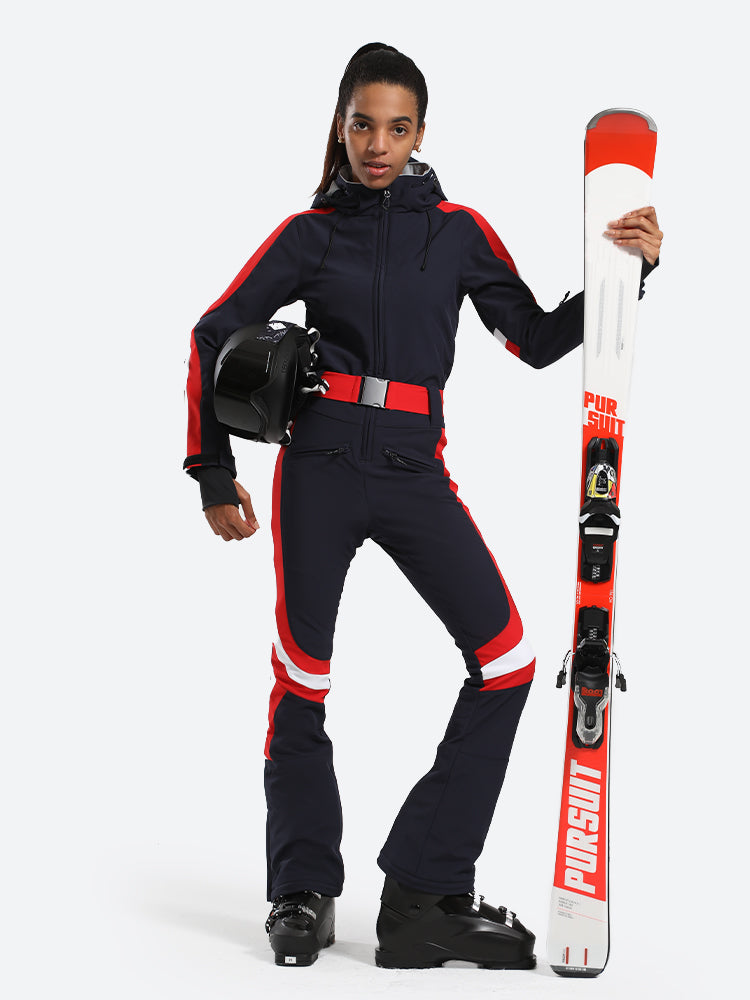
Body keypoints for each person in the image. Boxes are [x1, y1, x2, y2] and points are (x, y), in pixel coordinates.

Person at [183, 43, 662, 969]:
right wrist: (211, 468)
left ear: (420, 133)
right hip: (319, 467)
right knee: (302, 679)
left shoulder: (458, 233)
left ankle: (424, 892)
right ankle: (301, 891)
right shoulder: (309, 235)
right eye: (363, 125)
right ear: (340, 126)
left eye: (397, 128)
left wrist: (626, 274)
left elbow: (533, 339)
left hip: (412, 469)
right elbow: (212, 333)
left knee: (507, 662)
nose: (378, 145)